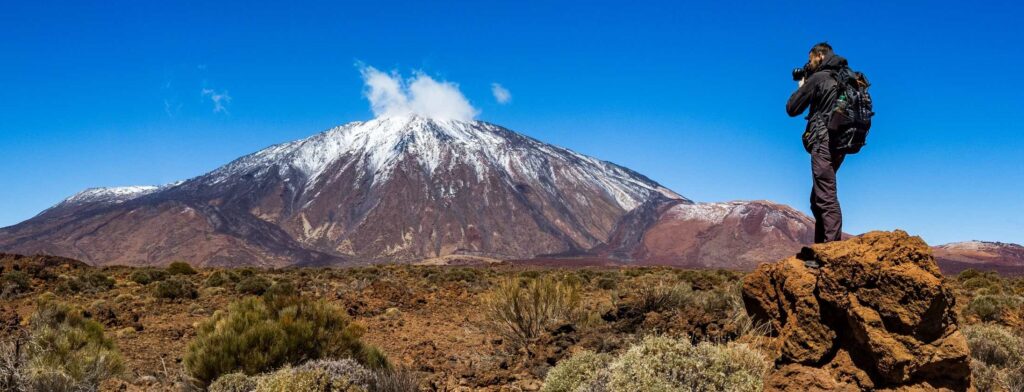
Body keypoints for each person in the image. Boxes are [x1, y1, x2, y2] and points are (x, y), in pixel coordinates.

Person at [786, 42, 850, 244]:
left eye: (810, 58)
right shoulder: (845, 77)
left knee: (825, 197)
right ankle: (821, 249)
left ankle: (830, 251)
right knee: (818, 199)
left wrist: (803, 85)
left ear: (820, 56)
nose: (808, 63)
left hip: (824, 140)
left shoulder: (820, 77)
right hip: (841, 144)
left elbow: (792, 108)